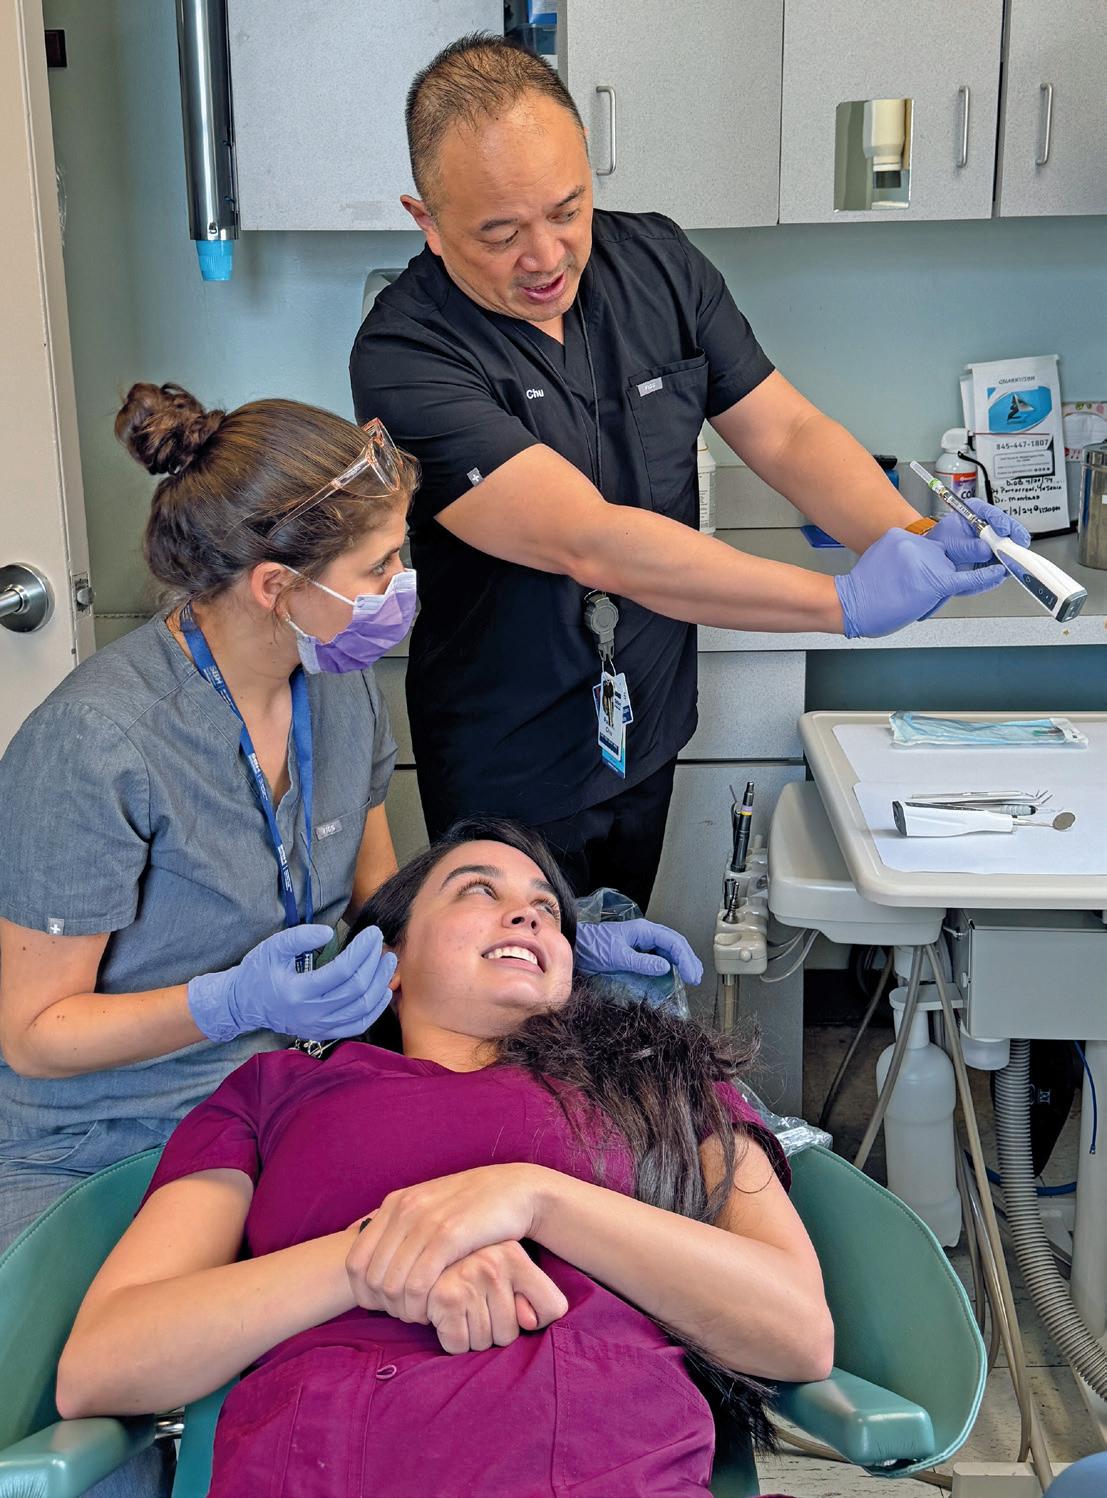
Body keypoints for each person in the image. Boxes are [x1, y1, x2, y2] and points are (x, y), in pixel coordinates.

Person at [0, 381, 698, 1257]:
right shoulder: (96, 744)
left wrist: (549, 940)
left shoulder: (337, 685)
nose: (402, 587)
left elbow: (381, 906)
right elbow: (35, 1037)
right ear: (275, 587)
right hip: (108, 1140)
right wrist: (229, 1003)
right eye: (377, 568)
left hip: (294, 1096)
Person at [350, 34, 1031, 912]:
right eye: (500, 233)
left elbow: (784, 431)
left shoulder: (658, 265)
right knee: (524, 991)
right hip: (506, 757)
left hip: (645, 722)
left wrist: (910, 536)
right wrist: (843, 603)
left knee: (623, 970)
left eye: (567, 209)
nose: (546, 255)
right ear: (427, 222)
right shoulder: (405, 353)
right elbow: (591, 542)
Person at [57, 819, 832, 1498]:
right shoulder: (272, 1092)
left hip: (608, 1463)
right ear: (387, 960)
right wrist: (382, 1256)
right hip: (320, 1464)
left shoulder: (662, 1078)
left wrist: (532, 1199)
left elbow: (794, 1329)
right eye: (476, 890)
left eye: (547, 910)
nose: (528, 913)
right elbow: (103, 1365)